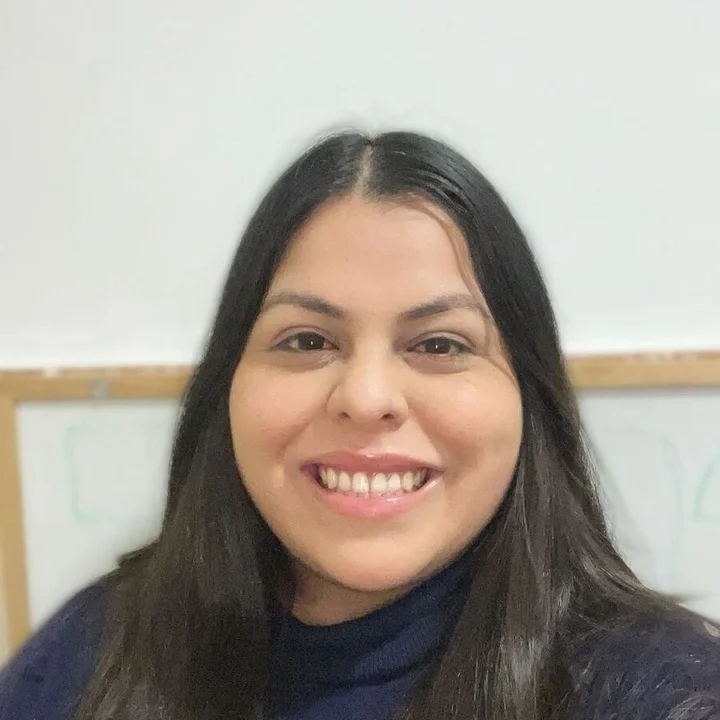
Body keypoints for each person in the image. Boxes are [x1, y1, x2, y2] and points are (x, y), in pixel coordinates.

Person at [1, 130, 719, 720]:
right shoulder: (92, 653)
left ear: (529, 399)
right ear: (227, 386)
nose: (368, 397)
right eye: (307, 340)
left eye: (439, 345)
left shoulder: (661, 691)